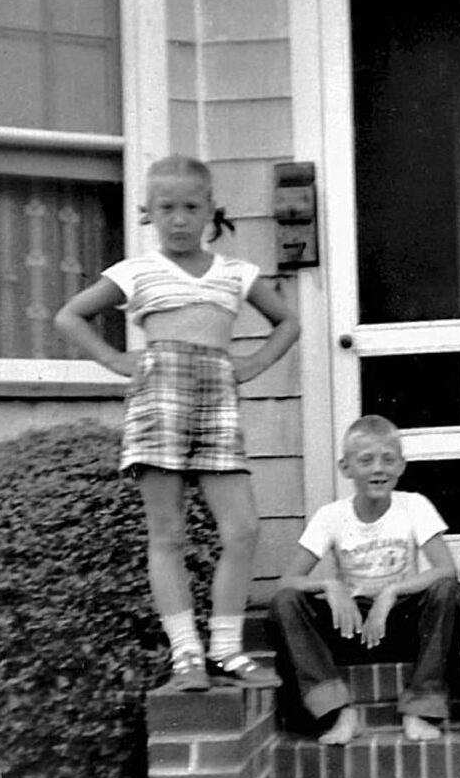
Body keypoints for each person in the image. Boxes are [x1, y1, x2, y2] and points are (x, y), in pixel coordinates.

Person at [54, 154, 300, 690]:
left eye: (192, 206)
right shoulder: (136, 272)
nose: (180, 219)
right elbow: (70, 316)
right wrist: (117, 361)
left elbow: (287, 322)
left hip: (216, 404)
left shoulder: (235, 273)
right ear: (148, 213)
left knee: (243, 529)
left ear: (211, 209)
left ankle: (227, 650)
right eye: (167, 208)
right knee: (167, 533)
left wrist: (252, 365)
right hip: (158, 401)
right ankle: (186, 654)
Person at [269, 415, 458, 745]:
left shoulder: (414, 505)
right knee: (286, 602)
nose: (378, 469)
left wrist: (392, 592)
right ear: (346, 468)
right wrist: (330, 586)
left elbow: (446, 570)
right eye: (366, 460)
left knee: (445, 590)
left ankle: (420, 708)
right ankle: (338, 711)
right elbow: (287, 582)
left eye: (388, 459)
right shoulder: (331, 515)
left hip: (401, 621)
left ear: (401, 465)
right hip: (351, 625)